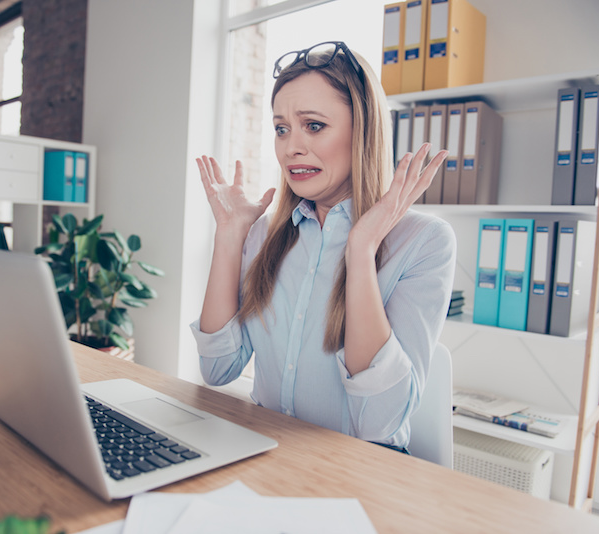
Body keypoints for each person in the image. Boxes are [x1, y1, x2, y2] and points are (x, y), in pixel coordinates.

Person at [190, 41, 457, 451]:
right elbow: (218, 368)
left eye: (313, 125)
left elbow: (379, 421)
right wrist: (229, 236)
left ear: (361, 132)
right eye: (282, 129)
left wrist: (361, 249)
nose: (290, 148)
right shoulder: (264, 237)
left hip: (358, 471)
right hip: (269, 454)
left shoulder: (424, 242)